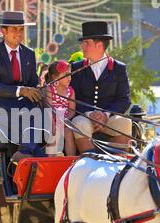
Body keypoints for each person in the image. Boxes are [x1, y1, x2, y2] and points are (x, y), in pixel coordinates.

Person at [0, 11, 43, 159]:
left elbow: (33, 81)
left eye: (21, 29)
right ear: (4, 31)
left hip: (24, 105)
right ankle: (25, 153)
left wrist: (38, 88)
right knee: (27, 115)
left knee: (42, 112)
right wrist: (21, 91)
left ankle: (25, 153)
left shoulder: (29, 53)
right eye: (14, 29)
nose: (19, 33)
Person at [70, 21, 132, 154]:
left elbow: (124, 99)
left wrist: (105, 114)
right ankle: (91, 162)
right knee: (79, 123)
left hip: (109, 118)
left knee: (124, 122)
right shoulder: (76, 68)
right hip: (85, 117)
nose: (82, 46)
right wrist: (89, 113)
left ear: (99, 45)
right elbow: (73, 98)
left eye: (86, 43)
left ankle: (119, 163)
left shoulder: (119, 68)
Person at [44, 60, 76, 156]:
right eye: (66, 75)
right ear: (55, 77)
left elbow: (72, 109)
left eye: (70, 74)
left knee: (69, 133)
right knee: (53, 133)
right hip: (51, 121)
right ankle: (52, 158)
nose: (69, 78)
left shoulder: (70, 91)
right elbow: (48, 109)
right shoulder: (50, 89)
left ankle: (71, 160)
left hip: (64, 121)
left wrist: (66, 120)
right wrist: (53, 124)